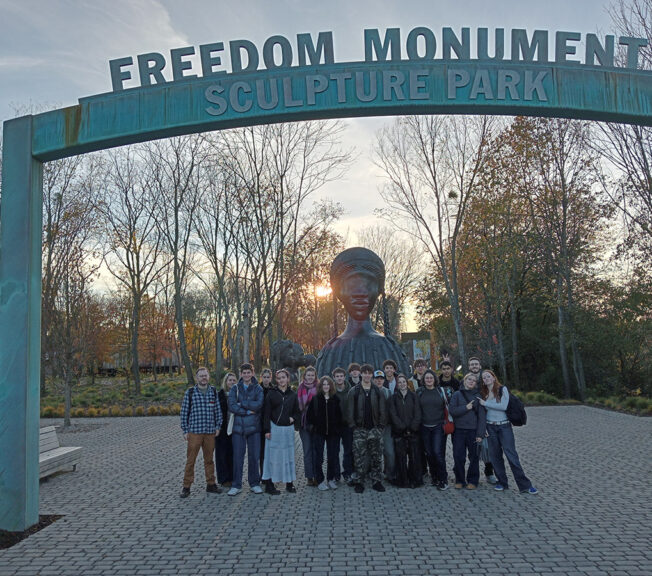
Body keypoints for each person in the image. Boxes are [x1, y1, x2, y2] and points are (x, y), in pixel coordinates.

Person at [315, 247, 410, 377]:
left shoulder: (391, 349)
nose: (360, 293)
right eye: (351, 285)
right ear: (339, 293)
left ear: (378, 291)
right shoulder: (329, 353)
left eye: (368, 285)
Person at [479, 370, 538, 495]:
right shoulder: (483, 393)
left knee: (511, 455)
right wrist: (483, 428)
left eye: (488, 376)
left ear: (494, 378)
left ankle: (525, 485)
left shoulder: (502, 389)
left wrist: (485, 403)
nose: (486, 379)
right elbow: (482, 413)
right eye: (484, 378)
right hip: (490, 427)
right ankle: (502, 482)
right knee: (495, 457)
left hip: (504, 426)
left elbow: (503, 406)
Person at [179, 367, 223, 498]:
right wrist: (185, 430)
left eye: (205, 375)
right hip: (195, 432)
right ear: (197, 378)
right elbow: (184, 412)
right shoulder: (190, 392)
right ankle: (186, 486)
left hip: (210, 432)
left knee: (209, 460)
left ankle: (211, 484)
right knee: (191, 460)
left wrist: (218, 426)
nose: (203, 378)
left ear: (208, 377)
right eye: (201, 376)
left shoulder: (213, 392)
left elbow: (218, 411)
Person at [347, 364, 387, 493]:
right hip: (360, 429)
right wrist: (353, 427)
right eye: (365, 373)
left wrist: (380, 426)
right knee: (359, 457)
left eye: (369, 373)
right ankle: (359, 481)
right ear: (361, 374)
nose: (367, 375)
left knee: (377, 456)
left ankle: (377, 481)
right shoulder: (354, 391)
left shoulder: (377, 391)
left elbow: (382, 410)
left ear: (372, 375)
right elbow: (350, 411)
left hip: (375, 428)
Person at [227, 363, 264, 496]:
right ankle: (236, 485)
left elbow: (259, 404)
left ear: (252, 373)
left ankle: (254, 483)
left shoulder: (258, 388)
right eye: (244, 373)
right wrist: (248, 411)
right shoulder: (235, 388)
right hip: (238, 429)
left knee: (254, 457)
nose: (246, 375)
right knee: (238, 458)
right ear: (241, 374)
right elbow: (231, 405)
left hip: (254, 429)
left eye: (249, 372)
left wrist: (242, 404)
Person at [262, 369, 300, 494]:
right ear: (276, 380)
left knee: (288, 456)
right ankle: (269, 484)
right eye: (278, 378)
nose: (281, 380)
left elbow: (297, 411)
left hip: (287, 430)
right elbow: (266, 413)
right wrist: (267, 430)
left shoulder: (293, 394)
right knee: (272, 457)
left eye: (283, 377)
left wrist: (293, 418)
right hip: (274, 429)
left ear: (287, 379)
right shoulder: (271, 394)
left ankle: (289, 484)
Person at [449, 373, 486, 490]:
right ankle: (460, 480)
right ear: (464, 380)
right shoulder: (457, 395)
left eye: (474, 380)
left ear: (476, 384)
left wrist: (480, 434)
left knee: (474, 457)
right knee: (458, 456)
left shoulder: (478, 396)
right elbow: (452, 411)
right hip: (459, 431)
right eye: (469, 379)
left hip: (473, 431)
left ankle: (473, 480)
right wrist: (466, 408)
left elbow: (482, 416)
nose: (471, 381)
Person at [307, 376, 342, 490]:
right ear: (321, 387)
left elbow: (339, 416)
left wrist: (337, 429)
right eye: (324, 384)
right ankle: (320, 480)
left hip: (333, 433)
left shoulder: (335, 399)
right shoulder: (316, 399)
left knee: (332, 456)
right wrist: (313, 428)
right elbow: (310, 416)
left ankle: (330, 479)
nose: (326, 386)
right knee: (319, 458)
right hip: (319, 432)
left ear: (331, 386)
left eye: (328, 384)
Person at [388, 373, 422, 488]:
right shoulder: (393, 398)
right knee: (400, 458)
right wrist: (401, 427)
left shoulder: (414, 396)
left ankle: (414, 479)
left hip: (413, 431)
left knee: (414, 457)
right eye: (399, 382)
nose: (402, 384)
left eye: (404, 382)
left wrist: (413, 427)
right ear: (397, 385)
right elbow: (393, 414)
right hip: (399, 432)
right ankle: (402, 479)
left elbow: (418, 413)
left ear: (407, 384)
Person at [416, 369, 448, 490]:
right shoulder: (419, 392)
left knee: (437, 453)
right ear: (423, 380)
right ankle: (434, 477)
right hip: (424, 426)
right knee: (429, 454)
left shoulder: (441, 391)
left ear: (435, 379)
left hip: (438, 426)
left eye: (431, 378)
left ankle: (443, 479)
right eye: (426, 378)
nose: (429, 380)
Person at [469, 356, 498, 484]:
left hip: (486, 418)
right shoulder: (466, 380)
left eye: (476, 364)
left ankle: (489, 472)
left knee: (488, 449)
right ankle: (473, 474)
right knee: (473, 450)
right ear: (469, 367)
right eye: (472, 364)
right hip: (471, 419)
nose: (474, 366)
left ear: (480, 366)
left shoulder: (485, 381)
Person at [438, 360, 461, 483]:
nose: (446, 371)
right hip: (441, 419)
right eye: (444, 368)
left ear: (452, 369)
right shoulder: (437, 382)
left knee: (457, 449)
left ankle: (458, 472)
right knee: (440, 449)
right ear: (441, 370)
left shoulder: (457, 383)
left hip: (455, 419)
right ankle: (442, 474)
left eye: (448, 368)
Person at [297, 366, 318, 486]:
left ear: (315, 376)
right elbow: (298, 407)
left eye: (312, 375)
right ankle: (309, 476)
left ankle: (317, 474)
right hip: (304, 424)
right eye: (308, 375)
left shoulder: (319, 388)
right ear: (304, 376)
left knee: (316, 450)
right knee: (307, 451)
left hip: (315, 424)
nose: (310, 377)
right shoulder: (300, 388)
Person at [374, 369, 396, 483]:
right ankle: (375, 475)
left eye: (381, 379)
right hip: (374, 427)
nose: (379, 381)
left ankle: (390, 474)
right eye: (377, 379)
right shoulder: (370, 391)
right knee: (375, 453)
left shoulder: (388, 392)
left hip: (387, 426)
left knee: (389, 452)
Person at [215, 372, 236, 487]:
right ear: (225, 382)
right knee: (221, 455)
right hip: (221, 429)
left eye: (234, 380)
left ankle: (232, 477)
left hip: (234, 429)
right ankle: (223, 479)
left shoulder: (238, 394)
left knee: (232, 454)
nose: (232, 382)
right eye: (230, 380)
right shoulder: (220, 395)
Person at [333, 367, 353, 482]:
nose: (339, 378)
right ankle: (336, 474)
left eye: (341, 376)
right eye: (337, 376)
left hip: (347, 425)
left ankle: (347, 472)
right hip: (335, 426)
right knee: (335, 451)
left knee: (348, 451)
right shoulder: (331, 391)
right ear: (334, 378)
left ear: (344, 377)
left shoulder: (351, 391)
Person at [259, 368, 273, 485]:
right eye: (265, 377)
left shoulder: (274, 390)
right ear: (261, 377)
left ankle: (270, 475)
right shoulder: (257, 389)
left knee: (271, 451)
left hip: (271, 424)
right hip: (259, 425)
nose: (266, 379)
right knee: (262, 452)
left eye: (268, 377)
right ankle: (263, 475)